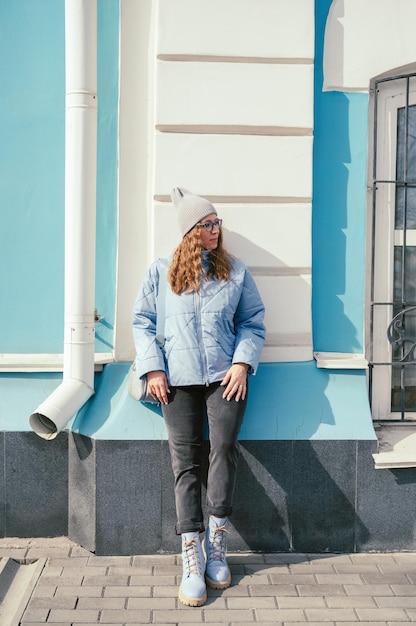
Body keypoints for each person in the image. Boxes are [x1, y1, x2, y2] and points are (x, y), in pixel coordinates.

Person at [132, 188, 266, 607]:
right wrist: (153, 367)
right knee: (185, 461)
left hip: (225, 378)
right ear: (191, 231)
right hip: (176, 380)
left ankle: (217, 543)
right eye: (208, 224)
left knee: (223, 450)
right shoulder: (162, 272)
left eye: (217, 222)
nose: (216, 229)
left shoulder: (236, 272)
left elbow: (253, 322)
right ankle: (191, 552)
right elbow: (142, 321)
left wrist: (243, 363)